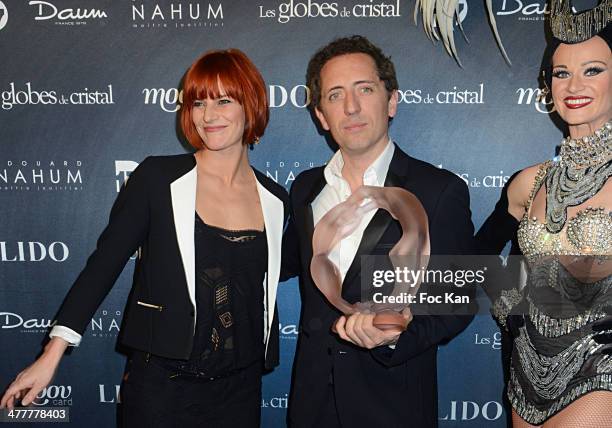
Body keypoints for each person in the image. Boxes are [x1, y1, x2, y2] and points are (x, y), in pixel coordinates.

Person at [0, 49, 289, 428]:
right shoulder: (158, 179)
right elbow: (104, 265)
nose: (208, 115)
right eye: (198, 102)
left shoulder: (276, 199)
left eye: (223, 100)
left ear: (250, 105)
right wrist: (52, 353)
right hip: (162, 387)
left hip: (240, 387)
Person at [281, 35, 475, 427]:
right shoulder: (304, 188)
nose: (350, 107)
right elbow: (279, 263)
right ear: (321, 115)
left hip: (393, 405)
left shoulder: (438, 190)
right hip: (312, 403)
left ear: (391, 101)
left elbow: (458, 301)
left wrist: (395, 332)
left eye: (364, 89)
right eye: (335, 95)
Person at [476, 8, 612, 426]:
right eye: (560, 73)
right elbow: (476, 253)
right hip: (526, 370)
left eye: (592, 70)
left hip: (601, 367)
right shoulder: (530, 183)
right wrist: (509, 303)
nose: (573, 86)